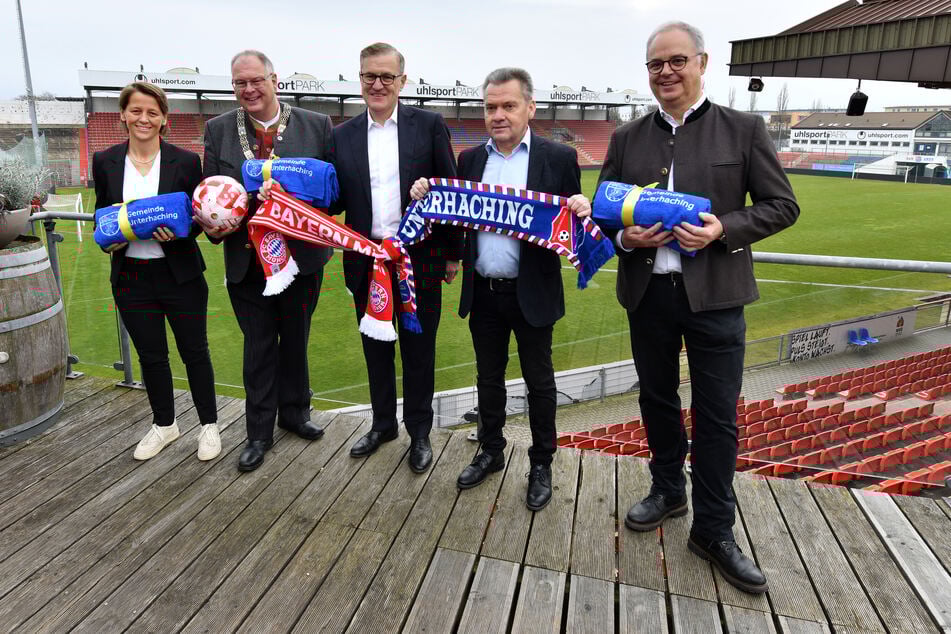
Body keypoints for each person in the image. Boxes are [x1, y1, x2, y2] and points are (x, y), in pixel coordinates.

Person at [598, 21, 799, 593]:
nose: (666, 72)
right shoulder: (627, 136)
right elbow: (604, 212)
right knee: (657, 400)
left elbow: (782, 205)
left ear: (701, 64)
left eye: (677, 61)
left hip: (717, 298)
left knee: (717, 417)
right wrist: (623, 238)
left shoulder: (743, 128)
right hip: (648, 296)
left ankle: (714, 530)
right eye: (656, 64)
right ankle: (668, 490)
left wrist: (722, 230)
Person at [411, 68, 590, 510]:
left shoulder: (559, 158)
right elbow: (454, 213)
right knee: (488, 379)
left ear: (530, 107)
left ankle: (541, 463)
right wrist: (426, 191)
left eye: (509, 105)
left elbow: (574, 225)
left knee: (540, 383)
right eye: (491, 107)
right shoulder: (471, 159)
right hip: (484, 292)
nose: (498, 114)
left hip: (533, 292)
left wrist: (582, 208)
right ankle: (491, 450)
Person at [331, 42, 463, 474]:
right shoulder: (342, 135)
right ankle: (383, 424)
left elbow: (450, 189)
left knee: (419, 351)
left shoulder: (429, 125)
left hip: (419, 260)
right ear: (360, 78)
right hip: (366, 261)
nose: (378, 84)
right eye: (370, 76)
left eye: (387, 76)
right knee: (375, 348)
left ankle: (419, 433)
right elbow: (333, 198)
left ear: (402, 81)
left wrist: (453, 254)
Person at [201, 50, 334, 472]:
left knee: (295, 341)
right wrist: (213, 224)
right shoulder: (218, 129)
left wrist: (297, 198)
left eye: (256, 80)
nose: (249, 89)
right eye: (240, 83)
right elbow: (209, 194)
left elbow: (332, 194)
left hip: (302, 259)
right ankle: (258, 433)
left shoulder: (316, 125)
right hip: (246, 262)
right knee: (258, 348)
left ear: (274, 80)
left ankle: (295, 414)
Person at [92, 81, 219, 461]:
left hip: (180, 275)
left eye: (152, 112)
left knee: (195, 352)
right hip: (131, 277)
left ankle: (209, 425)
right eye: (136, 111)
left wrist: (179, 232)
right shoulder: (105, 160)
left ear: (164, 118)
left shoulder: (186, 161)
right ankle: (165, 424)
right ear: (123, 115)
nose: (143, 118)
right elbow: (103, 216)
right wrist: (109, 242)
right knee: (151, 356)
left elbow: (197, 220)